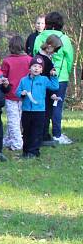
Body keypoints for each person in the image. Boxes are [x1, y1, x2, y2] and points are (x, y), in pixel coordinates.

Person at [32, 12, 75, 145]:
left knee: (42, 104)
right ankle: (57, 134)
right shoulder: (64, 38)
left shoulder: (39, 38)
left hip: (41, 77)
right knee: (57, 105)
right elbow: (69, 59)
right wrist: (65, 73)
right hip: (59, 78)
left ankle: (41, 133)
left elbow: (35, 54)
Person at [17, 56, 59, 158]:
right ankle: (26, 151)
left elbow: (55, 87)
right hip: (27, 111)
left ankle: (34, 152)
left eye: (39, 67)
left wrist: (53, 76)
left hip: (39, 111)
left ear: (41, 70)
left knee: (37, 132)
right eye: (34, 66)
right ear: (29, 68)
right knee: (26, 132)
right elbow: (17, 92)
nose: (36, 68)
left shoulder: (44, 80)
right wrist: (21, 93)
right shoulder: (23, 80)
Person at [1, 36, 32, 152]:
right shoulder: (29, 60)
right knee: (19, 120)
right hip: (25, 94)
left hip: (11, 94)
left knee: (13, 120)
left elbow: (3, 77)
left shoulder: (7, 61)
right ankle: (9, 139)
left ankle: (17, 143)